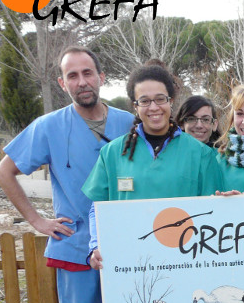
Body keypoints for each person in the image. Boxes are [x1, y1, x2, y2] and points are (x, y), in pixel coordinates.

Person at [0, 46, 135, 303]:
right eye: (72, 76)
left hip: (127, 247)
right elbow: (4, 171)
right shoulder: (48, 126)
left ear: (101, 76)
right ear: (62, 83)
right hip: (74, 245)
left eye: (87, 73)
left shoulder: (129, 122)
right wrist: (36, 220)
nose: (81, 82)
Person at [82, 62, 225, 269]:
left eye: (160, 99)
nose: (154, 107)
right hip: (129, 262)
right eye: (145, 101)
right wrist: (95, 245)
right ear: (135, 106)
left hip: (186, 263)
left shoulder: (202, 154)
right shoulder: (112, 153)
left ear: (171, 101)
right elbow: (97, 208)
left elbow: (214, 212)